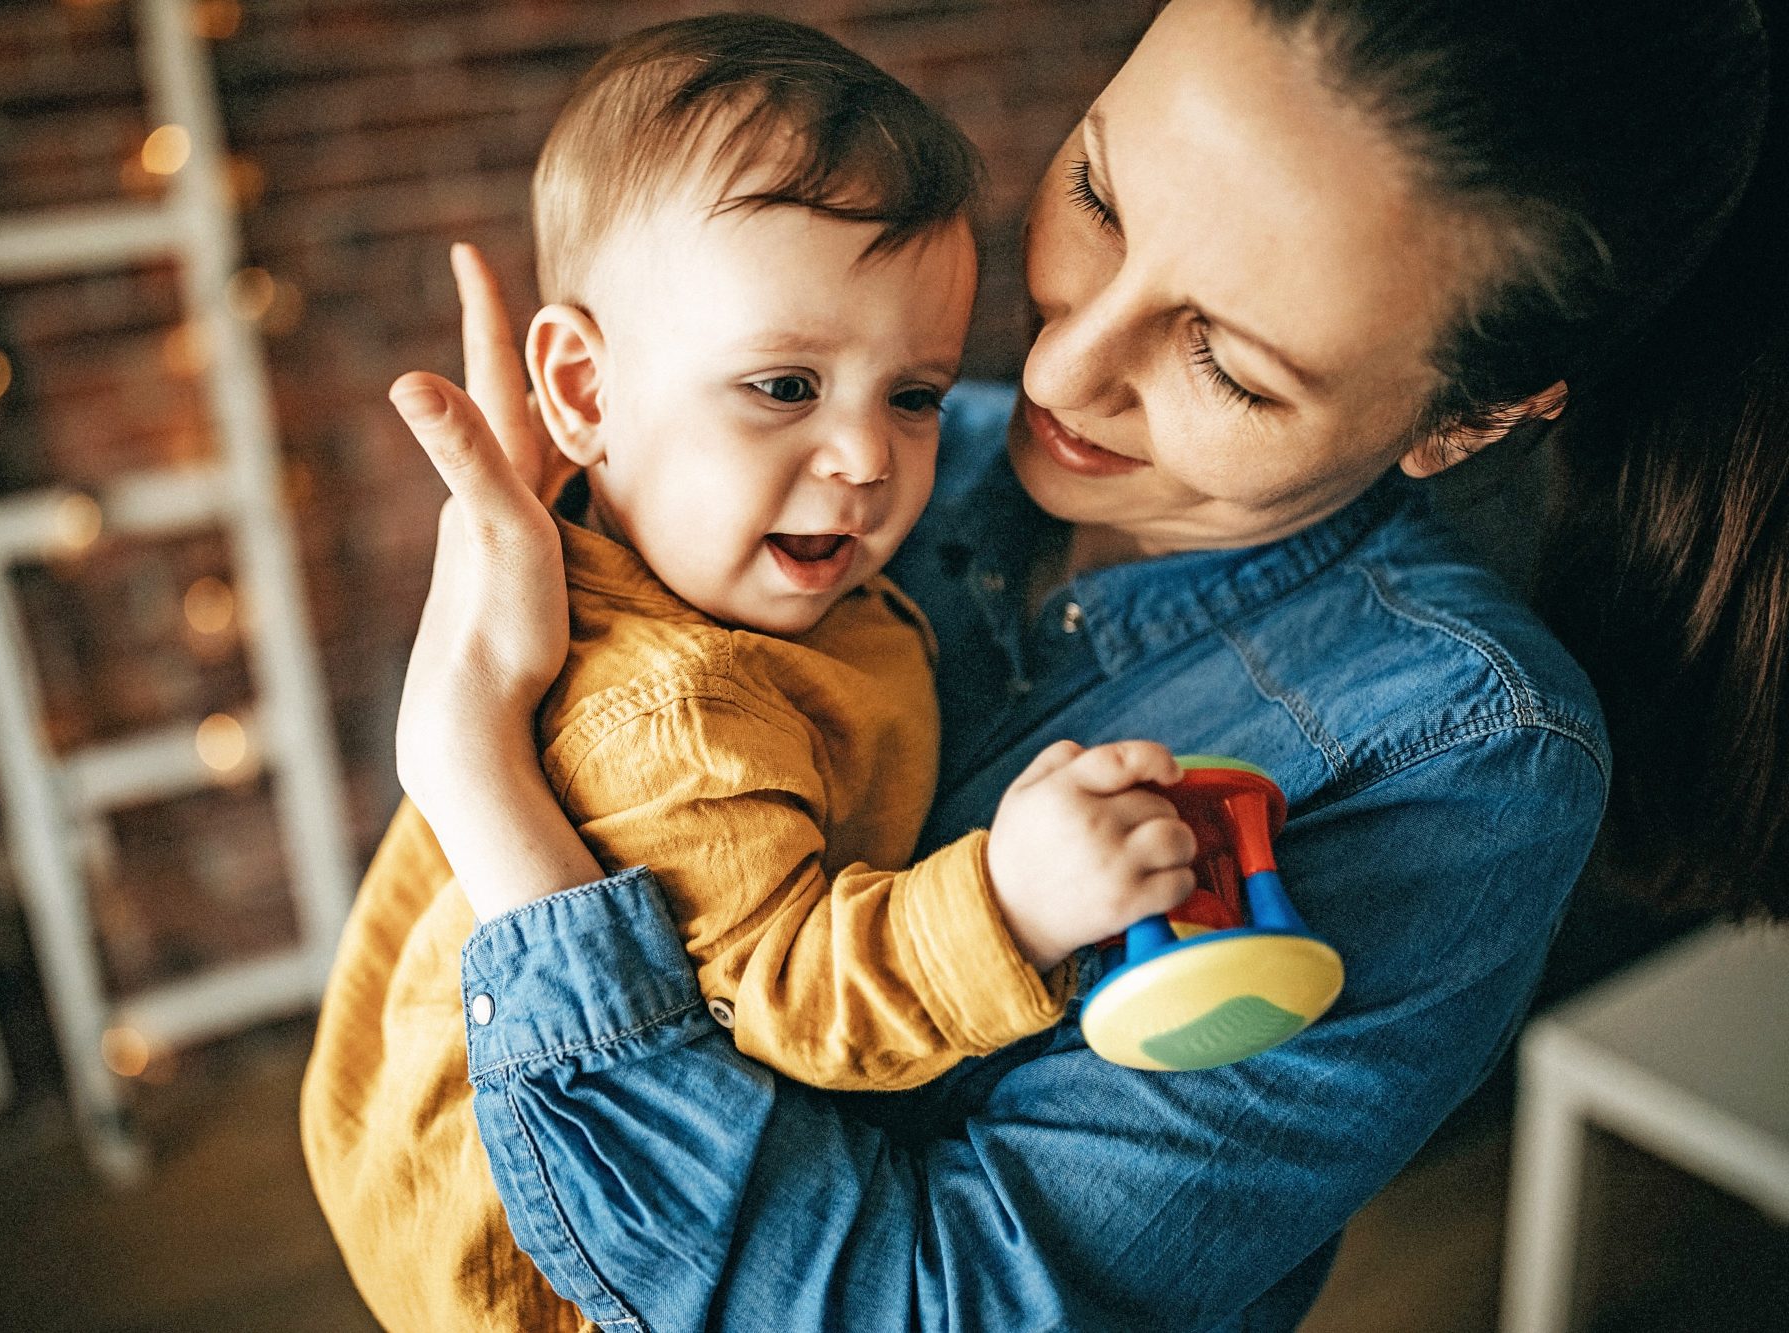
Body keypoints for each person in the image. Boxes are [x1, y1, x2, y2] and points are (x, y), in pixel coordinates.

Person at [309, 0, 1789, 1328]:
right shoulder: (906, 476)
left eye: (1229, 361)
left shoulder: (1459, 748)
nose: (1060, 373)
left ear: (1466, 423)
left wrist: (474, 773)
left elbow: (942, 1306)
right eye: (1096, 189)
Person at [301, 17, 1207, 1332]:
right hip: (567, 1266)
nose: (870, 459)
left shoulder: (714, 548)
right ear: (582, 389)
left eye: (912, 391)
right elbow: (790, 988)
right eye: (785, 384)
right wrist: (1007, 905)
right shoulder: (676, 716)